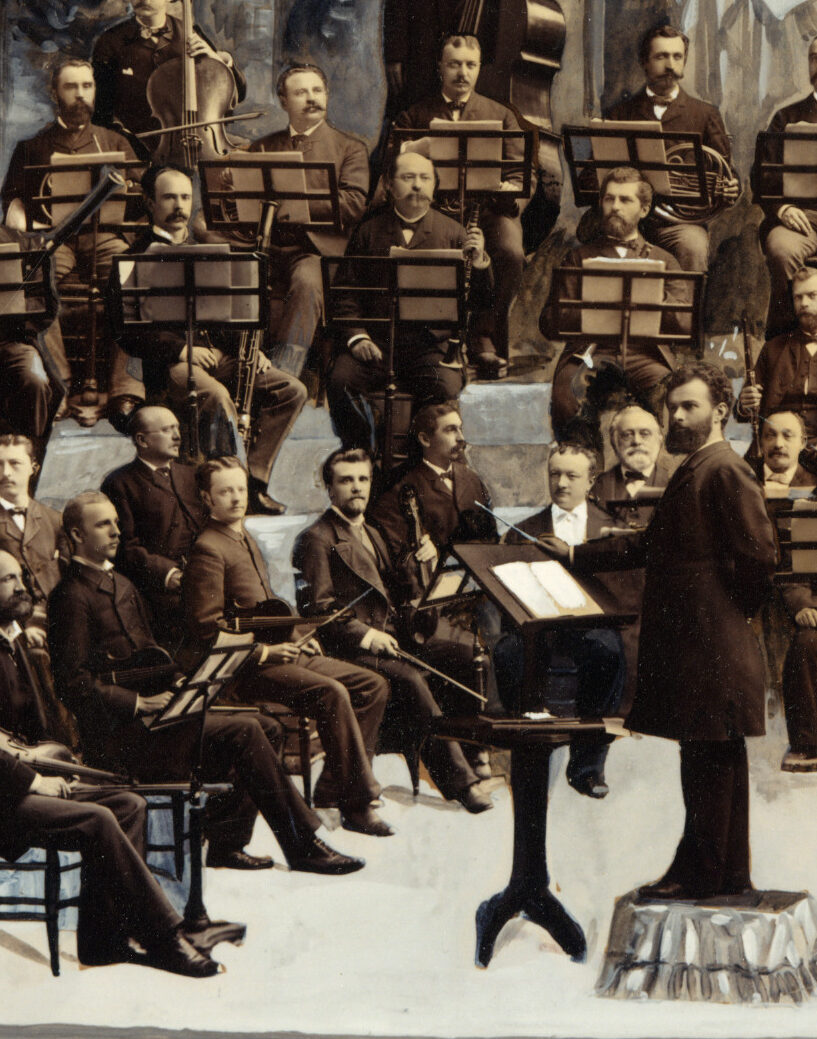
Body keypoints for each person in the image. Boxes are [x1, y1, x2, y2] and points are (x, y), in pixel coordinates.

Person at [543, 364, 778, 899]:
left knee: (709, 761)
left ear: (720, 412)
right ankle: (728, 875)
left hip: (712, 647)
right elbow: (648, 546)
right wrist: (578, 553)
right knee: (712, 760)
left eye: (688, 406)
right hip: (705, 647)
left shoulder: (723, 470)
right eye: (671, 406)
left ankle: (700, 875)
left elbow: (760, 558)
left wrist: (722, 613)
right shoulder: (696, 469)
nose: (675, 414)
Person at [47, 490, 364, 876]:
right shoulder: (70, 597)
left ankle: (226, 842)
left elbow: (152, 656)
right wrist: (138, 703)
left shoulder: (122, 585)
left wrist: (183, 680)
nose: (115, 531)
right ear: (78, 536)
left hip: (157, 721)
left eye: (115, 522)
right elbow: (72, 684)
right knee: (246, 730)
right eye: (103, 525)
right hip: (122, 737)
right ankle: (302, 846)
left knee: (267, 726)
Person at [182, 457, 394, 837]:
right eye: (224, 491)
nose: (236, 498)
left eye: (241, 489)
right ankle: (357, 802)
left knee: (372, 685)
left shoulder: (241, 535)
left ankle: (333, 788)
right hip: (243, 670)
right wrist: (265, 653)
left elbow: (268, 606)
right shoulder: (208, 549)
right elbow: (205, 632)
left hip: (278, 653)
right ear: (206, 499)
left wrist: (297, 638)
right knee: (331, 692)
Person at [293, 447, 493, 813]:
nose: (357, 488)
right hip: (351, 648)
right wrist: (367, 636)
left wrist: (424, 569)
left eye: (363, 480)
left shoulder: (372, 531)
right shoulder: (317, 539)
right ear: (329, 488)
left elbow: (397, 591)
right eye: (346, 480)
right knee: (412, 680)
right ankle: (462, 784)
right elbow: (318, 611)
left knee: (463, 653)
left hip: (393, 639)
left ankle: (475, 753)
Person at [115, 164, 308, 514]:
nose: (179, 205)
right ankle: (230, 486)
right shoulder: (133, 258)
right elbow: (128, 333)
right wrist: (183, 349)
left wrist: (251, 353)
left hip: (221, 356)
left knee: (291, 390)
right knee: (215, 395)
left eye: (186, 197)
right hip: (172, 366)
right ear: (149, 203)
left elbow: (229, 314)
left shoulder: (211, 251)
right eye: (169, 197)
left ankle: (254, 480)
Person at [0, 742, 220, 976]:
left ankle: (103, 942)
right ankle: (164, 935)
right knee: (99, 819)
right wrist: (36, 781)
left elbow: (36, 735)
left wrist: (59, 767)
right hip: (7, 800)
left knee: (130, 805)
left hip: (24, 779)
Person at [326, 152, 492, 450]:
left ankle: (417, 462)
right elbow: (345, 293)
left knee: (444, 385)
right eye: (408, 177)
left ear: (434, 186)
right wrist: (357, 337)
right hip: (376, 344)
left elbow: (479, 303)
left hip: (429, 347)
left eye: (425, 178)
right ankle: (363, 450)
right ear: (389, 186)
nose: (417, 185)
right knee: (341, 380)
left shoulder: (454, 233)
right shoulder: (368, 231)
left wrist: (479, 262)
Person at [390, 33, 536, 373]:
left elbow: (521, 170)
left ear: (479, 69)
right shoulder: (415, 115)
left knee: (510, 252)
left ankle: (484, 339)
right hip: (433, 209)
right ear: (440, 67)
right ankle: (432, 341)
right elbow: (393, 164)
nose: (462, 73)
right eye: (454, 64)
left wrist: (509, 189)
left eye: (470, 65)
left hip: (489, 209)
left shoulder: (502, 114)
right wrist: (418, 148)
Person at [1, 58, 143, 398]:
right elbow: (13, 200)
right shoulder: (31, 147)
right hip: (55, 240)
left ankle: (126, 388)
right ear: (55, 93)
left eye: (87, 86)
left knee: (134, 277)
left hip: (105, 236)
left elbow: (140, 198)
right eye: (71, 87)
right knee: (33, 281)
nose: (80, 95)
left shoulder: (114, 142)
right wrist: (18, 215)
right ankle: (60, 383)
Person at [494, 444, 625, 798]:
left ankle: (587, 765)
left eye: (572, 475)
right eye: (555, 474)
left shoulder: (611, 529)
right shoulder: (524, 530)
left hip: (591, 628)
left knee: (608, 649)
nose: (562, 483)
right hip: (539, 630)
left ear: (591, 481)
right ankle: (529, 746)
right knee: (507, 651)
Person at [543, 167, 690, 437]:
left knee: (672, 397)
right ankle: (587, 470)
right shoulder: (579, 258)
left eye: (625, 200)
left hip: (645, 353)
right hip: (590, 353)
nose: (615, 207)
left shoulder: (664, 260)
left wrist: (653, 297)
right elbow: (551, 322)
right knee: (568, 401)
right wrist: (593, 303)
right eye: (609, 199)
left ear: (644, 210)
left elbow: (682, 322)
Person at [244, 64, 369, 375]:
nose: (311, 98)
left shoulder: (350, 148)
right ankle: (242, 365)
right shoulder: (263, 146)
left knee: (307, 283)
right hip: (268, 246)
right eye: (300, 92)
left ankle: (285, 372)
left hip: (315, 251)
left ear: (326, 95)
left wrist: (294, 211)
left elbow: (353, 204)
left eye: (317, 90)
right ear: (283, 102)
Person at [604, 25, 738, 272]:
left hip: (679, 224)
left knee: (694, 246)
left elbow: (724, 170)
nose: (670, 65)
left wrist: (731, 186)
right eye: (661, 56)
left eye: (677, 57)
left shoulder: (705, 114)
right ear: (644, 62)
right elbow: (595, 174)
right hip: (626, 217)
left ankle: (686, 311)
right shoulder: (619, 113)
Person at [101, 406, 207, 645]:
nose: (177, 436)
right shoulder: (120, 483)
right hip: (158, 591)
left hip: (204, 577)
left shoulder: (190, 475)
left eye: (177, 428)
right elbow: (124, 547)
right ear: (142, 440)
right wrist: (168, 573)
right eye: (167, 430)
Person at [91, 0, 246, 153]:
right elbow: (101, 115)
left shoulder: (190, 33)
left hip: (199, 142)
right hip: (138, 148)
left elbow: (238, 94)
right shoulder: (109, 42)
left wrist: (217, 60)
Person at [370, 401, 497, 564]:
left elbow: (490, 536)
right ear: (425, 439)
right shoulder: (400, 487)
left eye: (460, 429)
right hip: (434, 581)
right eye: (450, 430)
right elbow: (397, 552)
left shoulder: (471, 479)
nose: (461, 438)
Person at [753, 37, 817, 339]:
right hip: (799, 221)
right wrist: (782, 208)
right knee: (781, 250)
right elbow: (763, 176)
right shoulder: (785, 118)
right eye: (815, 58)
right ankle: (785, 344)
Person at [736, 267, 817, 445]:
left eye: (812, 296)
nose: (803, 303)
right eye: (798, 297)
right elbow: (744, 411)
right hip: (776, 448)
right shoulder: (773, 348)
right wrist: (745, 402)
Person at [0, 434, 70, 640]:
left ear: (34, 467)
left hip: (60, 618)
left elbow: (71, 577)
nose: (5, 473)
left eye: (15, 463)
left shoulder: (55, 519)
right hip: (13, 626)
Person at [759, 409, 815, 491]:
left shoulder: (814, 484)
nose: (778, 444)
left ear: (802, 442)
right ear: (761, 442)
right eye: (770, 436)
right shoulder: (742, 481)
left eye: (787, 436)